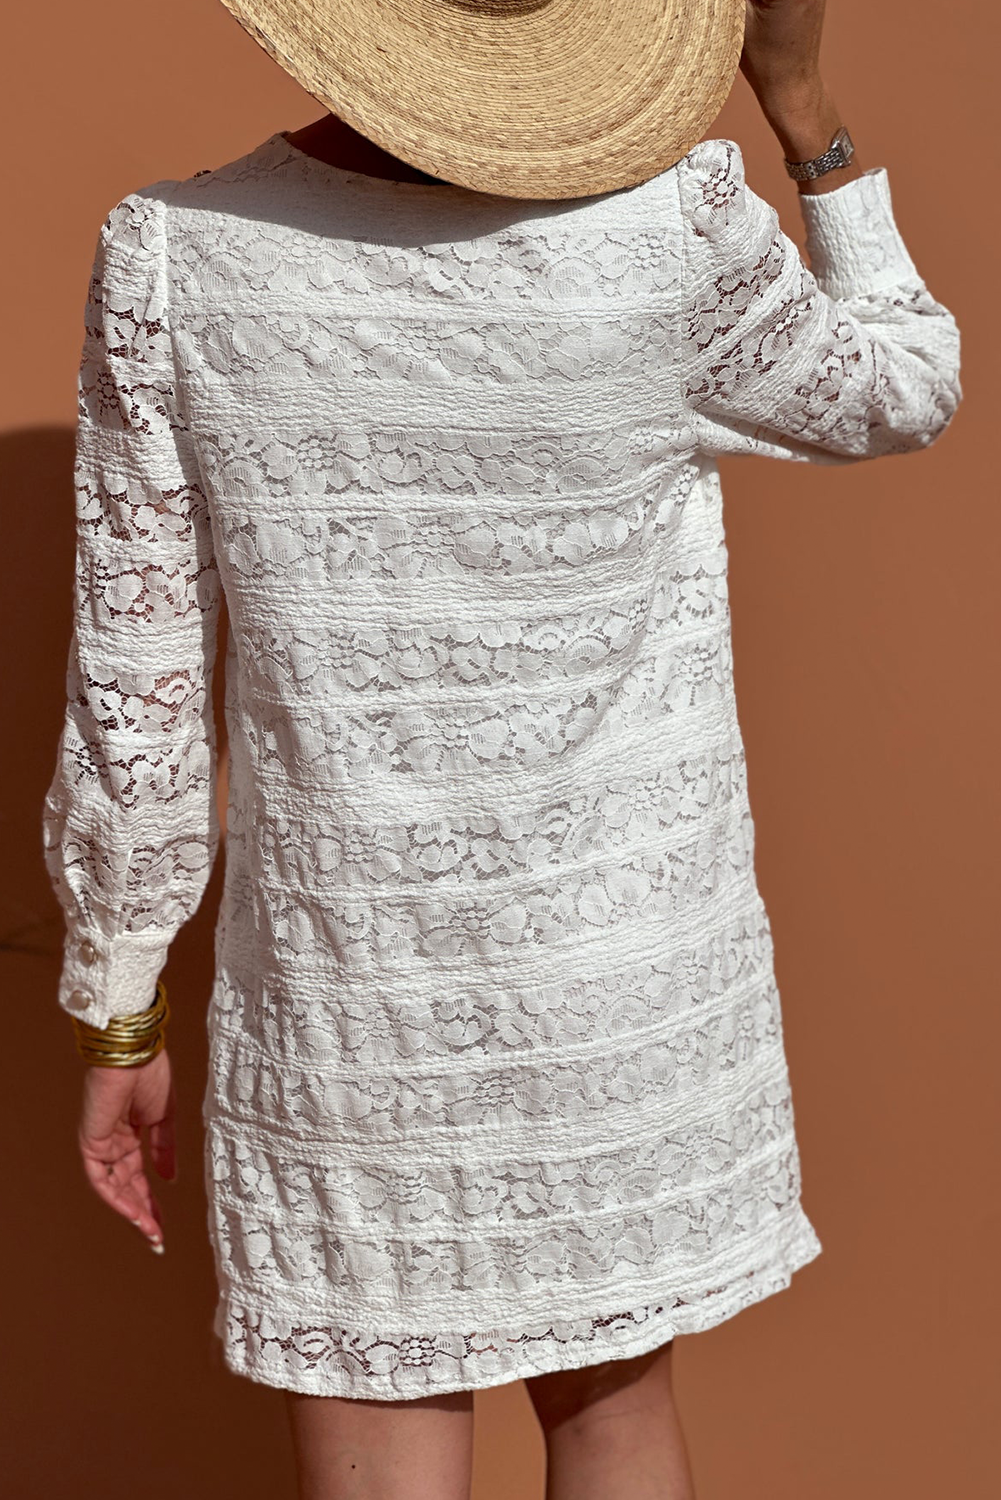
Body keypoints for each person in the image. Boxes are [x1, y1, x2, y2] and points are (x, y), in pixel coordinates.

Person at [42, 2, 961, 1497]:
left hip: (358, 997)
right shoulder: (676, 230)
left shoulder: (175, 256)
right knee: (614, 1425)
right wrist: (805, 111)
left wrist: (122, 1007)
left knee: (377, 1450)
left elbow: (135, 686)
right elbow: (900, 389)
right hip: (622, 983)